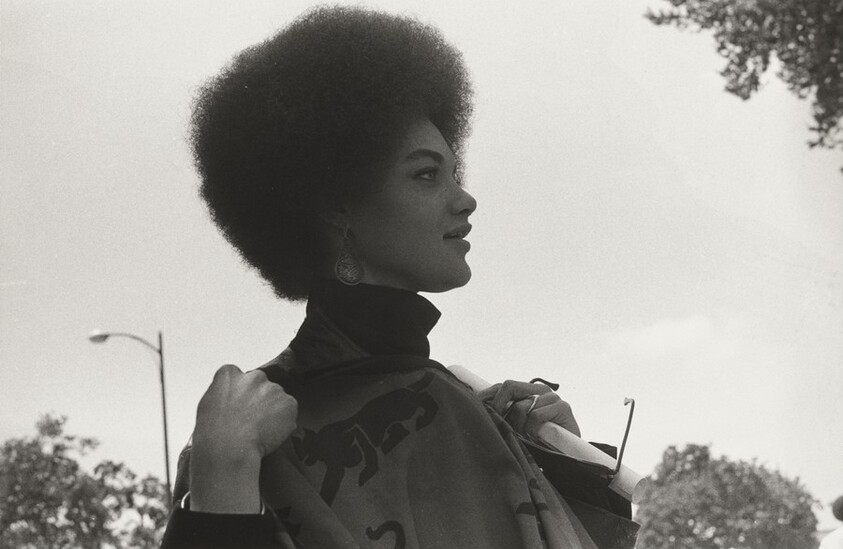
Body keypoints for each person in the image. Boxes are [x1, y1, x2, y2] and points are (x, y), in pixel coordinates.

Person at [161, 6, 639, 548]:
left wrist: (568, 464)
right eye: (427, 174)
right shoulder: (243, 434)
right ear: (339, 206)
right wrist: (223, 477)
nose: (466, 199)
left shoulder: (474, 409)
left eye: (455, 172)